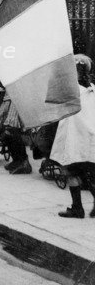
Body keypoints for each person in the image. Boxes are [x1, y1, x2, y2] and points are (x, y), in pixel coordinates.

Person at [51, 54, 95, 218]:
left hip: (74, 137)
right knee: (88, 171)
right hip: (89, 136)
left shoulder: (71, 90)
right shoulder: (92, 89)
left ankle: (77, 208)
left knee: (72, 171)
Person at [0, 74, 31, 174]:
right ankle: (17, 161)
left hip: (16, 99)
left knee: (12, 131)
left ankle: (24, 162)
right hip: (9, 99)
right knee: (7, 132)